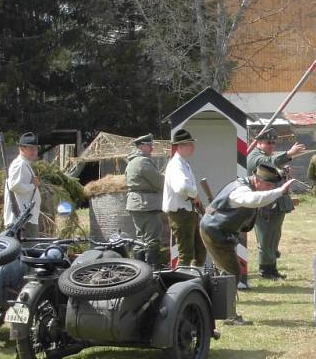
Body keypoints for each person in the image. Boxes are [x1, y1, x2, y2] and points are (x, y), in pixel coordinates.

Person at [200, 164, 296, 326]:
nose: (269, 189)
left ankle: (212, 308)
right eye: (268, 185)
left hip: (220, 232)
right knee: (232, 274)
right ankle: (228, 315)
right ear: (257, 181)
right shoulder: (241, 191)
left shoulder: (248, 185)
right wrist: (279, 192)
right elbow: (253, 200)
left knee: (228, 274)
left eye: (273, 186)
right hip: (215, 233)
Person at [246, 128, 307, 279]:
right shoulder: (255, 156)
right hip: (264, 204)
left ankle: (272, 269)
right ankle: (265, 270)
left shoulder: (267, 155)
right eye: (268, 143)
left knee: (274, 237)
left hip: (275, 203)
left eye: (273, 143)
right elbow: (268, 163)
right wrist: (289, 154)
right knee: (266, 238)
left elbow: (273, 170)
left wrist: (283, 171)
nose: (272, 145)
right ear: (258, 143)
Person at [162, 129, 206, 268]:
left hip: (187, 212)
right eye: (189, 144)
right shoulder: (176, 165)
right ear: (180, 146)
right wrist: (195, 194)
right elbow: (180, 187)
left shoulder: (183, 163)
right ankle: (182, 285)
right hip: (180, 213)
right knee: (186, 255)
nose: (193, 147)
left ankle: (195, 281)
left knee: (200, 252)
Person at [125, 134, 165, 269]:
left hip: (136, 204)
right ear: (142, 146)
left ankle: (139, 269)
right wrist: (166, 177)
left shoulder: (132, 162)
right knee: (152, 239)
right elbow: (159, 182)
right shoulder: (143, 162)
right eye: (149, 145)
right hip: (146, 204)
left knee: (140, 239)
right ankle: (152, 269)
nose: (152, 148)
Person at [4, 132, 41, 239]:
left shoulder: (24, 164)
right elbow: (14, 186)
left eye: (35, 148)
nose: (34, 151)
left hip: (26, 218)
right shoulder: (19, 164)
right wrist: (33, 185)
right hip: (21, 220)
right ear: (22, 148)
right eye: (31, 149)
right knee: (28, 253)